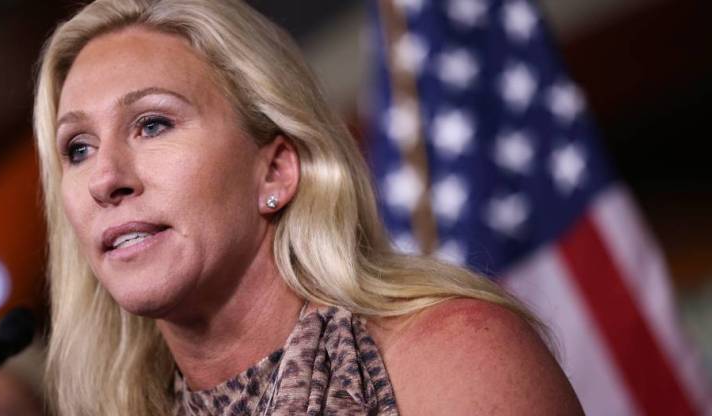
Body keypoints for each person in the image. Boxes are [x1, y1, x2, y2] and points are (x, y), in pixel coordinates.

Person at [33, 0, 584, 414]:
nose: (105, 178)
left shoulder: (455, 356)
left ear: (275, 170)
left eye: (153, 124)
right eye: (77, 149)